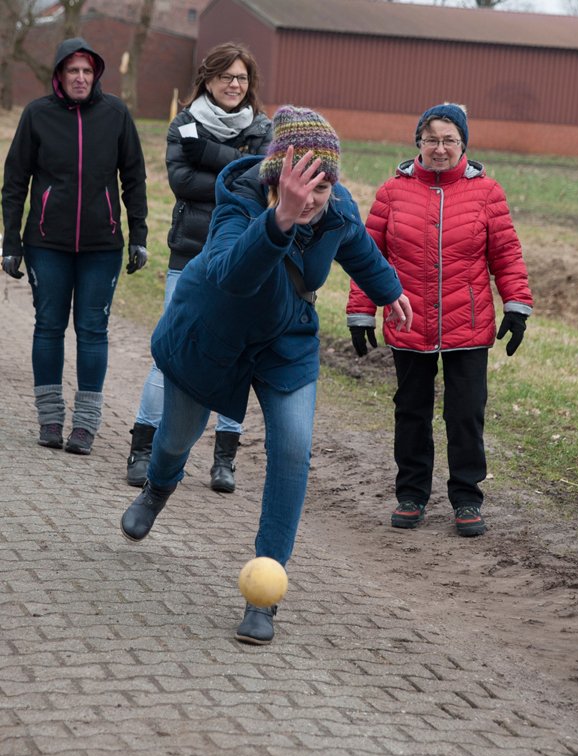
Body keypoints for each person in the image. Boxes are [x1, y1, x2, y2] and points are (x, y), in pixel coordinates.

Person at [119, 106, 413, 644]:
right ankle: (157, 489)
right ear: (276, 178)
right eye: (302, 186)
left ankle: (265, 590)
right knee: (178, 436)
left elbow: (357, 246)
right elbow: (231, 275)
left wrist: (389, 290)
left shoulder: (337, 207)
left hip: (285, 339)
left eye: (323, 185)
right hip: (214, 335)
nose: (314, 198)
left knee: (293, 449)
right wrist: (279, 220)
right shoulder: (239, 201)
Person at [346, 102, 533, 537]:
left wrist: (517, 306)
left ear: (463, 144)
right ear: (419, 142)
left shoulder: (487, 193)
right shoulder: (392, 192)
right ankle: (411, 495)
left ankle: (467, 498)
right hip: (408, 320)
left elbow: (506, 255)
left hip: (468, 324)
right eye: (431, 139)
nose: (440, 148)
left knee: (465, 414)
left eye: (450, 139)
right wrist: (361, 311)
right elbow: (368, 257)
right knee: (411, 412)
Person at [125, 42, 272, 491]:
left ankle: (224, 460)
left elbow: (260, 183)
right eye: (226, 76)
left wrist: (205, 152)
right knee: (170, 354)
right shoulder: (183, 123)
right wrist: (236, 166)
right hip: (190, 251)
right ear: (208, 79)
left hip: (243, 257)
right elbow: (182, 181)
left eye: (242, 78)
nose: (234, 84)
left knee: (238, 359)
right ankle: (143, 449)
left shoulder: (263, 127)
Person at [1, 37, 148, 456]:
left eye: (87, 71)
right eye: (73, 71)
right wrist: (11, 241)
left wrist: (139, 235)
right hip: (47, 243)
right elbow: (14, 182)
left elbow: (134, 178)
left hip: (103, 246)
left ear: (95, 74)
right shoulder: (37, 115)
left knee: (92, 330)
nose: (80, 77)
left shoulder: (116, 114)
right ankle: (50, 419)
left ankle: (84, 426)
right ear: (60, 76)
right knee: (48, 326)